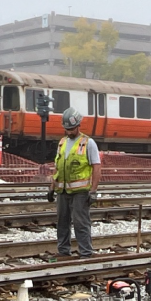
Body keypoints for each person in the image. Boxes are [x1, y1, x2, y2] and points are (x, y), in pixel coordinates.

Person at [47, 106, 102, 258]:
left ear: (78, 125)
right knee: (62, 222)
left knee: (81, 223)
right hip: (62, 191)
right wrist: (52, 188)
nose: (69, 131)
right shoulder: (62, 142)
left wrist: (93, 191)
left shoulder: (88, 143)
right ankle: (63, 251)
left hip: (80, 192)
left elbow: (96, 167)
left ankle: (85, 252)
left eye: (71, 128)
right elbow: (57, 167)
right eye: (67, 129)